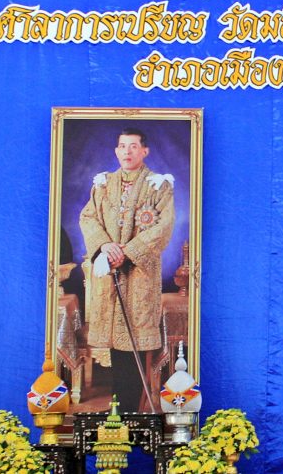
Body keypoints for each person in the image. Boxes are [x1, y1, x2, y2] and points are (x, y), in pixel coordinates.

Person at [80, 127, 175, 413]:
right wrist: (106, 246)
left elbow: (164, 227)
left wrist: (128, 252)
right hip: (109, 273)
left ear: (144, 151)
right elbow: (88, 217)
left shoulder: (158, 186)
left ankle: (133, 410)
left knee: (135, 344)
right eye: (122, 146)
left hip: (139, 275)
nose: (127, 152)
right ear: (116, 151)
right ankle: (118, 409)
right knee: (115, 346)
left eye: (133, 146)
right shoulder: (103, 184)